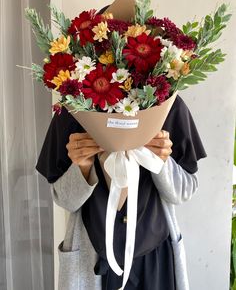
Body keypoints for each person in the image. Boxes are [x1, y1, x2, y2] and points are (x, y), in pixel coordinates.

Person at [36, 92, 207, 290]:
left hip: (155, 258)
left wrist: (162, 162)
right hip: (92, 261)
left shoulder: (166, 103)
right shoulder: (74, 106)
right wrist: (82, 168)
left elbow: (184, 191)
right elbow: (64, 200)